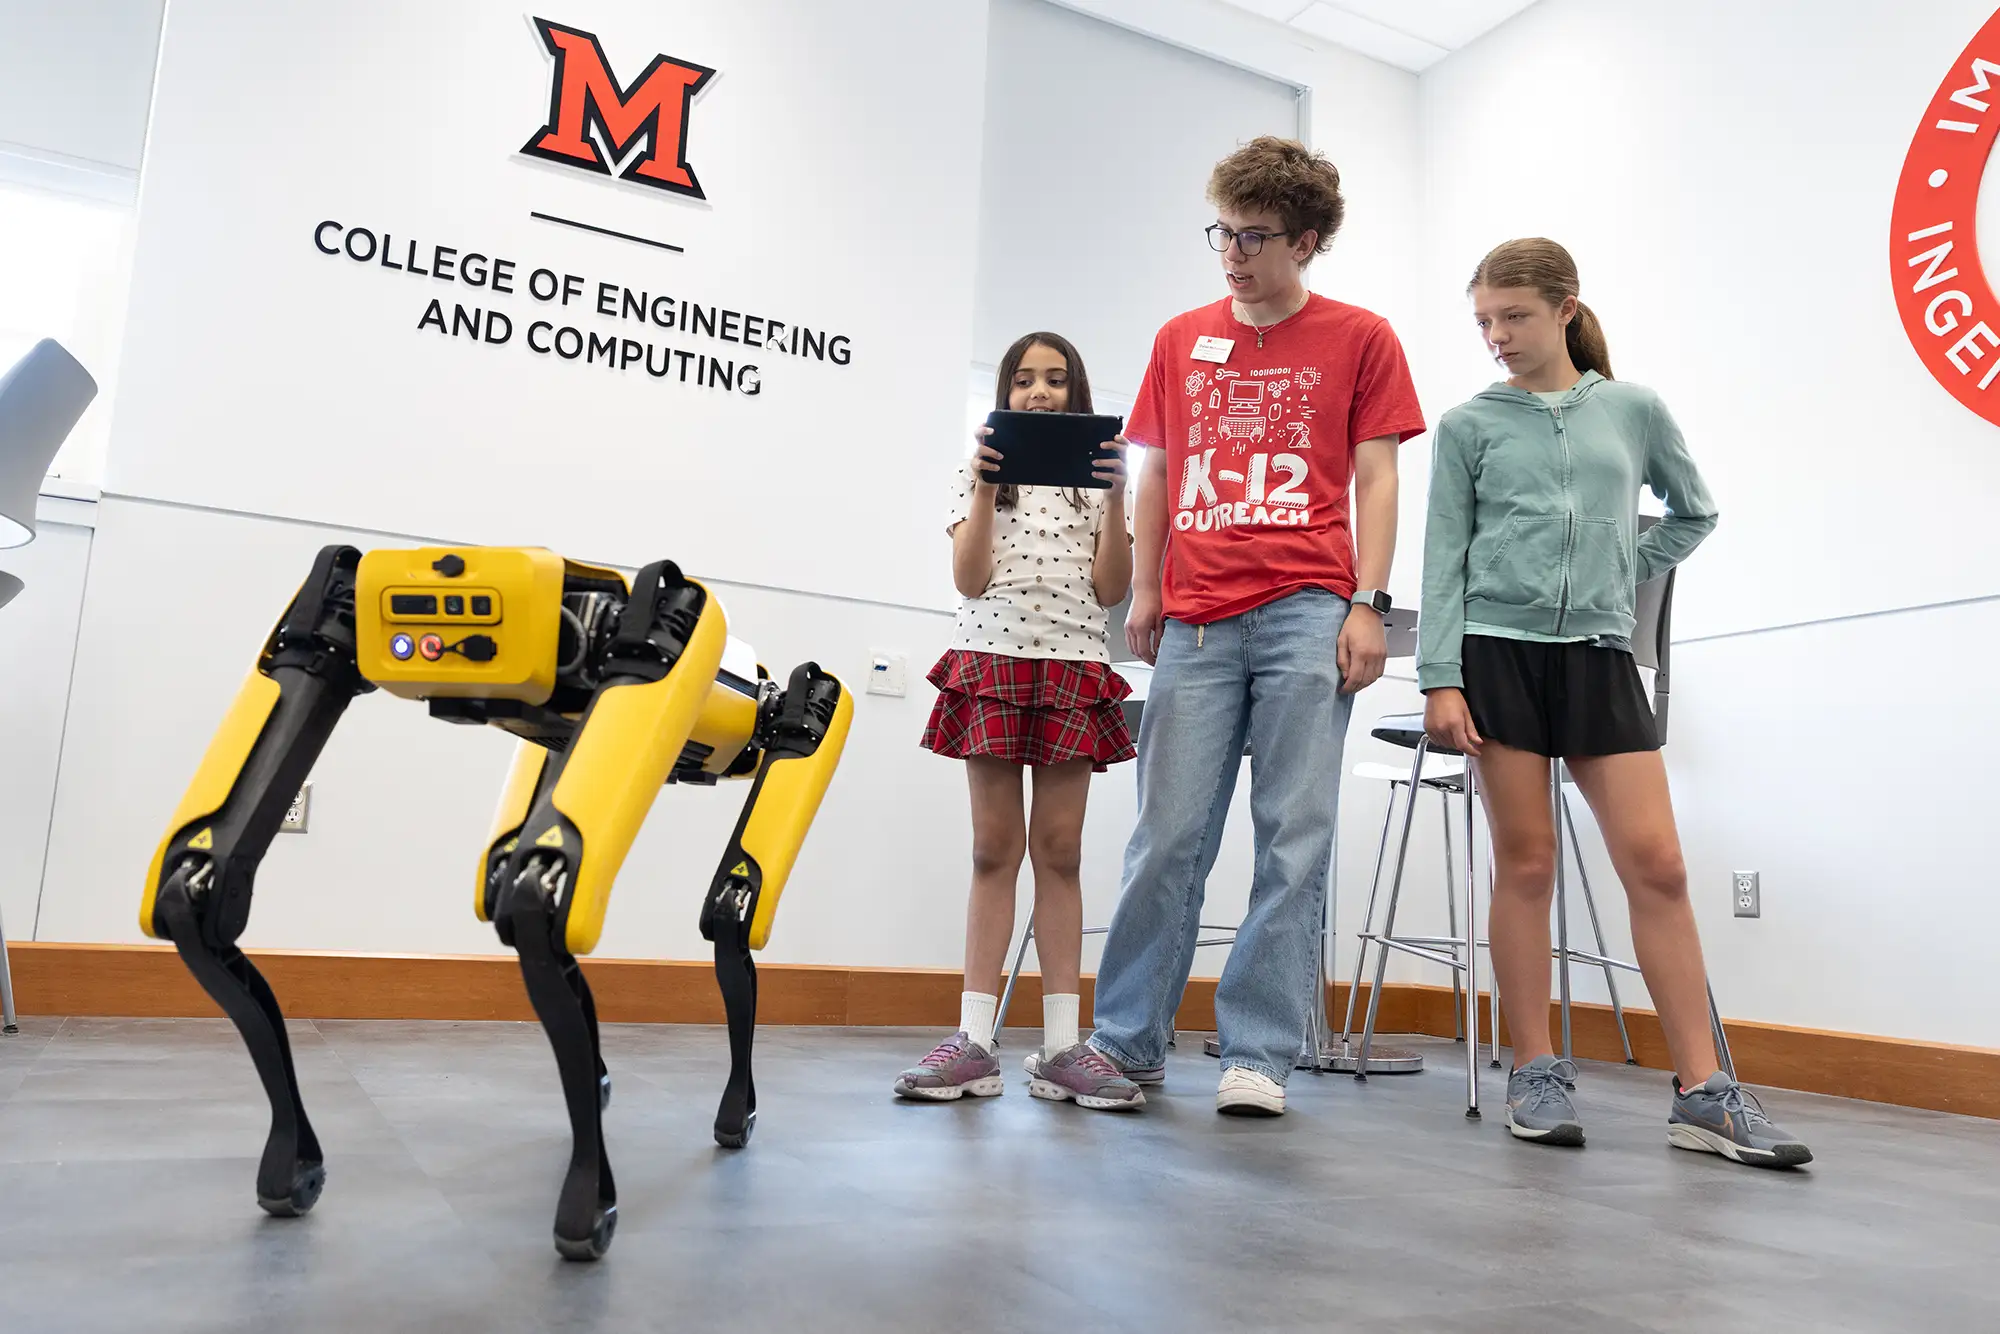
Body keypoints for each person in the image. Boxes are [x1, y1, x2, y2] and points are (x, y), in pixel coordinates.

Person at [1419, 237, 1812, 1167]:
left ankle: (1704, 1090)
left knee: (1659, 864)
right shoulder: (1468, 424)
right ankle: (1536, 1068)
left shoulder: (1631, 410)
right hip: (1497, 653)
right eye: (1483, 321)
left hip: (1598, 657)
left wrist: (1617, 570)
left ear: (1564, 308)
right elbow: (1443, 555)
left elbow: (1693, 510)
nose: (1497, 337)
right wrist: (1440, 675)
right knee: (1527, 864)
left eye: (1513, 316)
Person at [1084, 137, 1426, 1117]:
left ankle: (1258, 1053)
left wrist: (1367, 600)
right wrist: (1142, 589)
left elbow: (1376, 475)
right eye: (1221, 233)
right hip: (1191, 619)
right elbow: (1152, 472)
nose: (1231, 254)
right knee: (1164, 837)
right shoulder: (1177, 337)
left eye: (1253, 236)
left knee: (1290, 841)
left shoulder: (1360, 337)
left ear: (1305, 241)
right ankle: (1126, 1044)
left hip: (1307, 612)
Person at [894, 331, 1144, 1111]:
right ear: (1006, 393)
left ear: (1078, 394)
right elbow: (969, 580)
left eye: (1057, 380)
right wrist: (979, 485)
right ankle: (974, 1042)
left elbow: (1111, 592)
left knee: (1060, 853)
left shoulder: (1100, 485)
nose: (1040, 393)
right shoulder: (975, 476)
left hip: (1071, 665)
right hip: (991, 664)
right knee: (992, 848)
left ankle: (1066, 1046)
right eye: (1026, 380)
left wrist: (1113, 495)